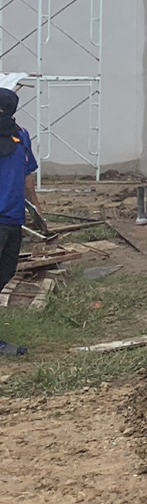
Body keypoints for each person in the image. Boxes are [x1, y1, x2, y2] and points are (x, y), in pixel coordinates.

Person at [0, 87, 42, 357]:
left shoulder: (21, 135)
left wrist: (36, 207)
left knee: (6, 272)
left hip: (13, 219)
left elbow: (27, 175)